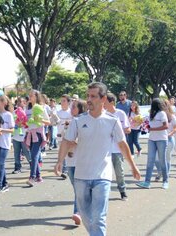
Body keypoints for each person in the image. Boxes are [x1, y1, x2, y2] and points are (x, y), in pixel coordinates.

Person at [54, 82, 140, 236]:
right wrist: (60, 161)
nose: (89, 99)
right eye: (88, 96)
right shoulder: (78, 121)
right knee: (87, 218)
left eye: (93, 96)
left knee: (99, 218)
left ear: (103, 99)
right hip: (81, 176)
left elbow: (122, 144)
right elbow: (67, 141)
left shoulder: (112, 121)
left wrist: (133, 166)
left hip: (102, 176)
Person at [136, 98, 169, 189]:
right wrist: (144, 126)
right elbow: (147, 124)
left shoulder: (162, 113)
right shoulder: (151, 114)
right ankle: (147, 182)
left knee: (162, 160)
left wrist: (152, 129)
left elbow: (166, 126)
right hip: (151, 140)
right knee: (150, 161)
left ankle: (165, 181)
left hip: (162, 139)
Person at [104, 93, 131, 201]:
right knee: (104, 173)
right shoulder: (103, 114)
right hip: (105, 149)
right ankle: (104, 193)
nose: (103, 104)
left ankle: (122, 191)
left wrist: (116, 132)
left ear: (111, 102)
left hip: (117, 149)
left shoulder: (120, 114)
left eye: (105, 102)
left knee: (119, 171)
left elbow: (128, 129)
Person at [65, 98, 87, 225]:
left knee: (78, 189)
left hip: (80, 160)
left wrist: (68, 140)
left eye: (73, 107)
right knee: (77, 189)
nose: (71, 109)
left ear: (80, 109)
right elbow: (64, 140)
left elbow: (77, 140)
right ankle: (82, 210)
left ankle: (78, 212)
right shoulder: (70, 122)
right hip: (70, 160)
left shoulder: (83, 123)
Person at [25, 90, 50, 187]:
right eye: (29, 95)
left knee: (34, 155)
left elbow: (48, 122)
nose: (30, 97)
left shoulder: (42, 107)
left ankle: (32, 177)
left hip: (38, 133)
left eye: (31, 95)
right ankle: (39, 176)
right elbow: (26, 122)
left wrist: (40, 119)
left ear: (36, 96)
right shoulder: (28, 108)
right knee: (33, 154)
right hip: (29, 134)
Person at [0, 95, 15, 196]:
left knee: (1, 164)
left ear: (4, 103)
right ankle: (5, 184)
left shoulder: (8, 115)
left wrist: (2, 130)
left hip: (5, 143)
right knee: (1, 165)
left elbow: (12, 129)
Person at [12, 97, 31, 174]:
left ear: (25, 103)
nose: (20, 103)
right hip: (16, 135)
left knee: (26, 151)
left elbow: (29, 122)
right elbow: (12, 121)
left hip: (24, 134)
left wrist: (23, 123)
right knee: (16, 152)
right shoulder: (14, 112)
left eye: (22, 102)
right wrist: (16, 124)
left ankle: (32, 164)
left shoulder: (27, 112)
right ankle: (17, 167)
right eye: (18, 102)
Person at [57, 94, 72, 179]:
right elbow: (53, 123)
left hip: (69, 135)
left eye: (64, 101)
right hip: (60, 135)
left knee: (68, 153)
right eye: (61, 101)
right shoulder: (58, 112)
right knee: (62, 152)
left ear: (68, 102)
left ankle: (67, 169)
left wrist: (67, 122)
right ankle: (64, 170)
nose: (62, 103)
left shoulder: (71, 112)